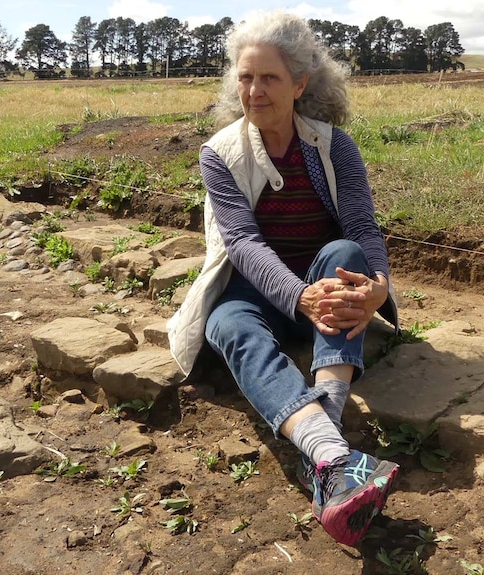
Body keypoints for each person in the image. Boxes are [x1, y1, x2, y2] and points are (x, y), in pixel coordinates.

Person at [167, 11, 400, 546]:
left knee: (344, 252)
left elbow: (362, 226)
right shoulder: (220, 154)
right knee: (226, 321)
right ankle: (333, 456)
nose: (254, 90)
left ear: (300, 83)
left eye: (269, 77)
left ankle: (323, 454)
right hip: (265, 290)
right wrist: (300, 298)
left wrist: (378, 285)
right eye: (245, 77)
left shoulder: (333, 146)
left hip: (326, 279)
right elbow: (243, 245)